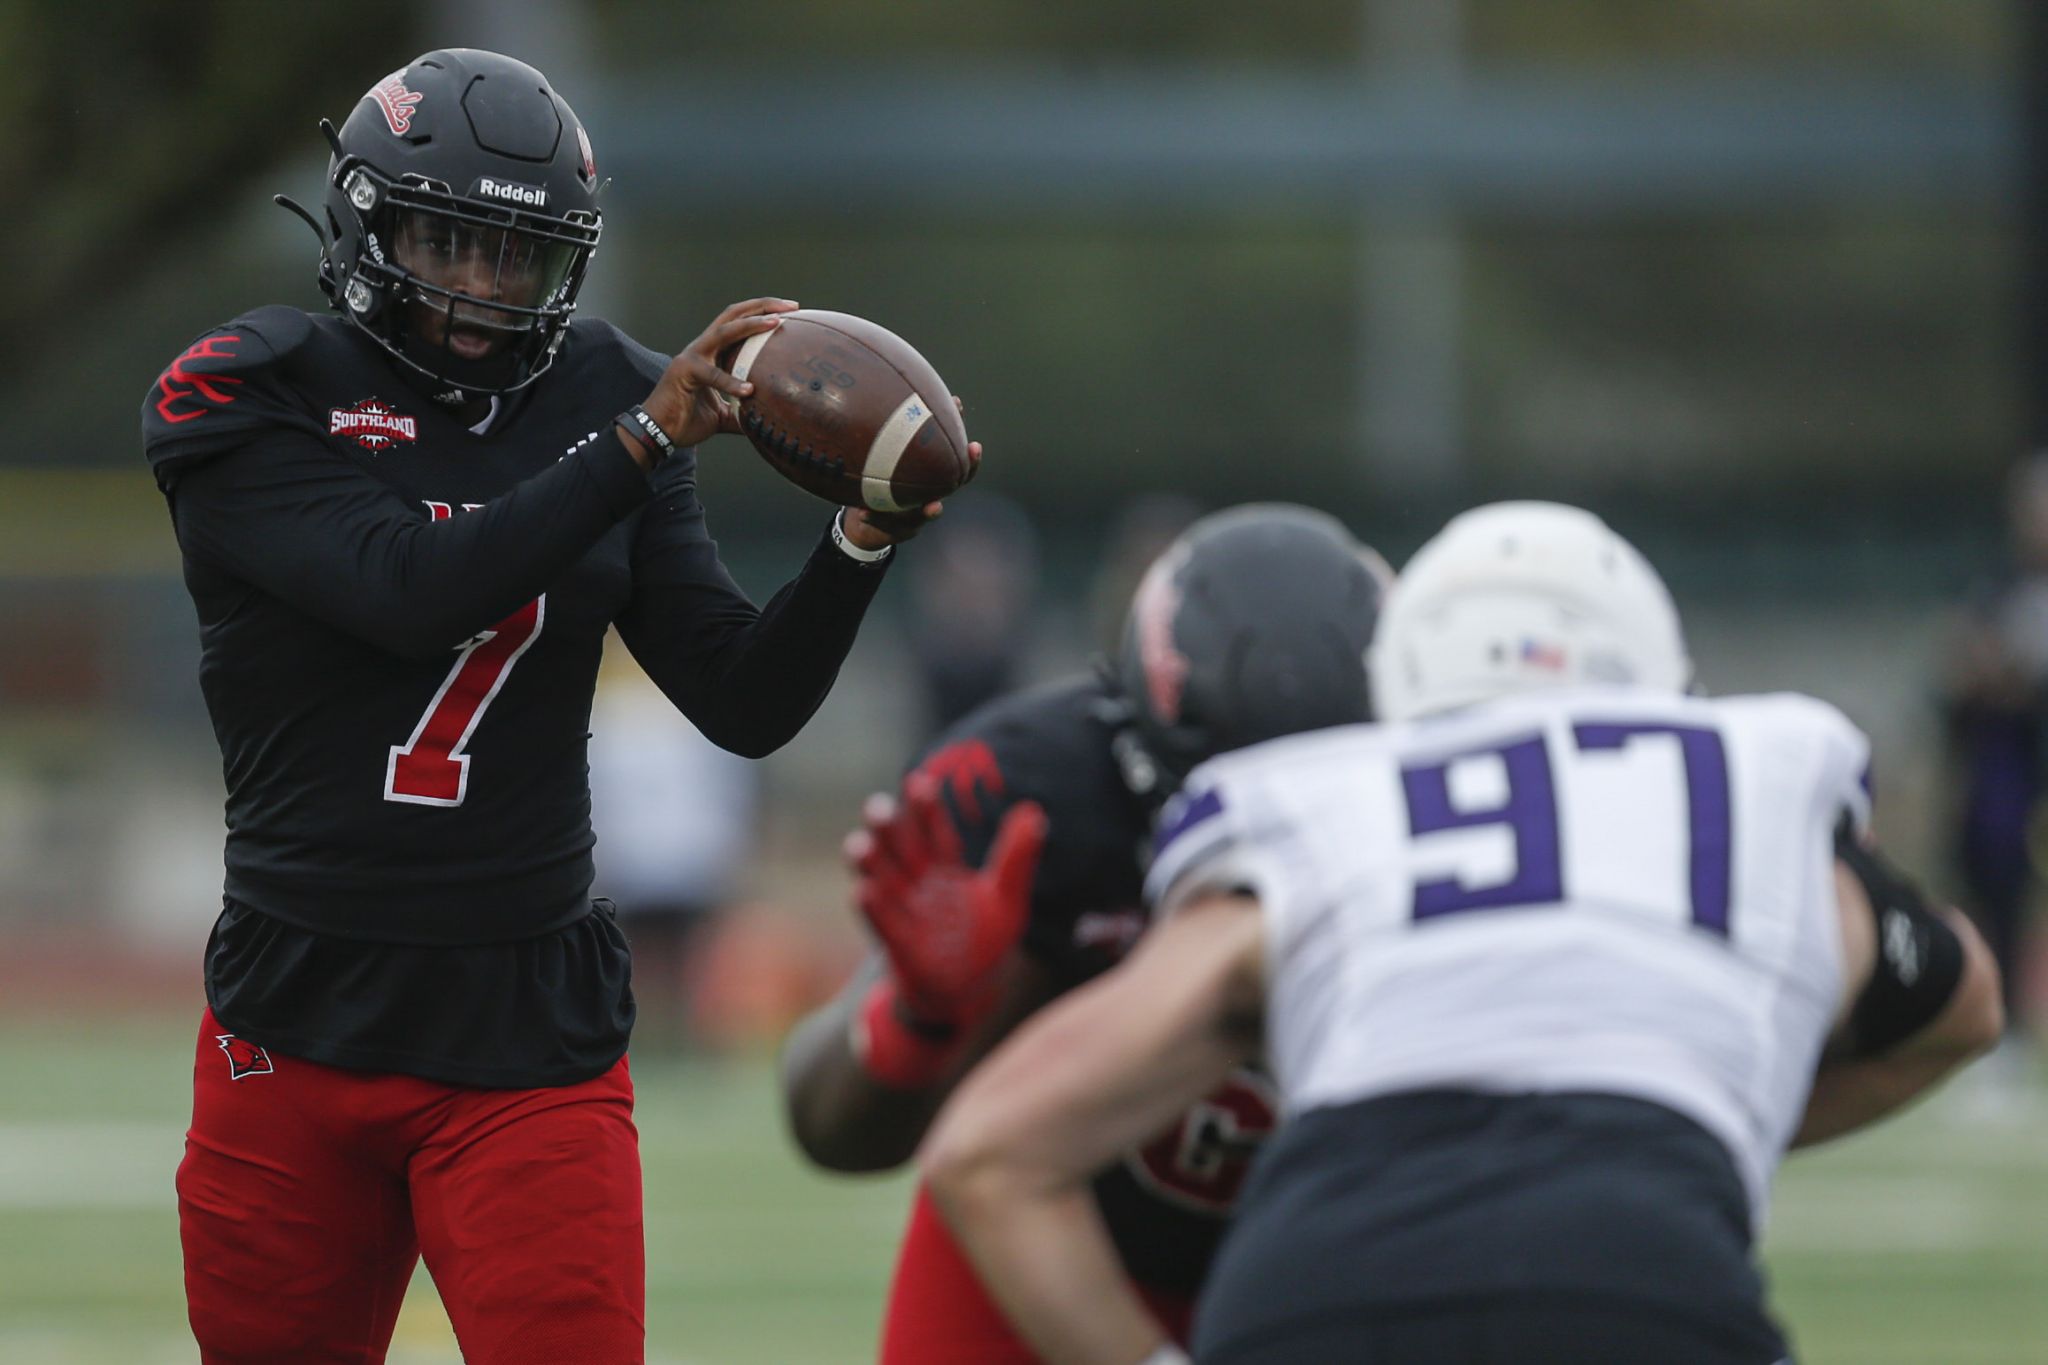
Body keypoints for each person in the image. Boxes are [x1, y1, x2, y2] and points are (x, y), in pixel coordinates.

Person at [141, 49, 975, 1365]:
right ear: (368, 220)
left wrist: (859, 540)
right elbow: (405, 589)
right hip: (295, 1019)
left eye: (517, 256)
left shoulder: (605, 391)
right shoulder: (254, 389)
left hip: (527, 1029)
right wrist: (638, 444)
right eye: (448, 242)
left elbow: (743, 698)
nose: (480, 287)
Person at [922, 501, 2004, 1365]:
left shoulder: (1315, 802)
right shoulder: (1739, 774)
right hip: (1632, 1269)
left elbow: (990, 1152)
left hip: (1304, 1293)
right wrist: (1715, 1106)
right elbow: (1963, 1009)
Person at [779, 504, 1391, 1362]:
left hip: (1321, 1270)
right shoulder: (1045, 802)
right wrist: (920, 1020)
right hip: (1039, 1252)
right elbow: (828, 1129)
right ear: (1136, 738)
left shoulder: (1448, 818)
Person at [1938, 452, 2048, 1080]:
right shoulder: (1995, 587)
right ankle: (2006, 1031)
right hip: (2012, 758)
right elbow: (1956, 672)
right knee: (1994, 872)